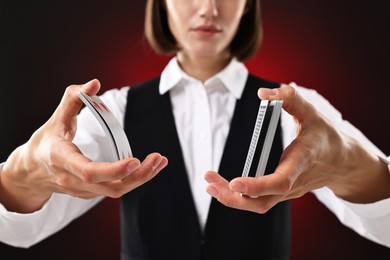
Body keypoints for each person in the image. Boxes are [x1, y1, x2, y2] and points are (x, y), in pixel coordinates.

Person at [0, 0, 389, 259]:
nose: (208, 8)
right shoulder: (115, 110)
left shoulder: (297, 109)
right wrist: (24, 171)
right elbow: (16, 231)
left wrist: (353, 165)